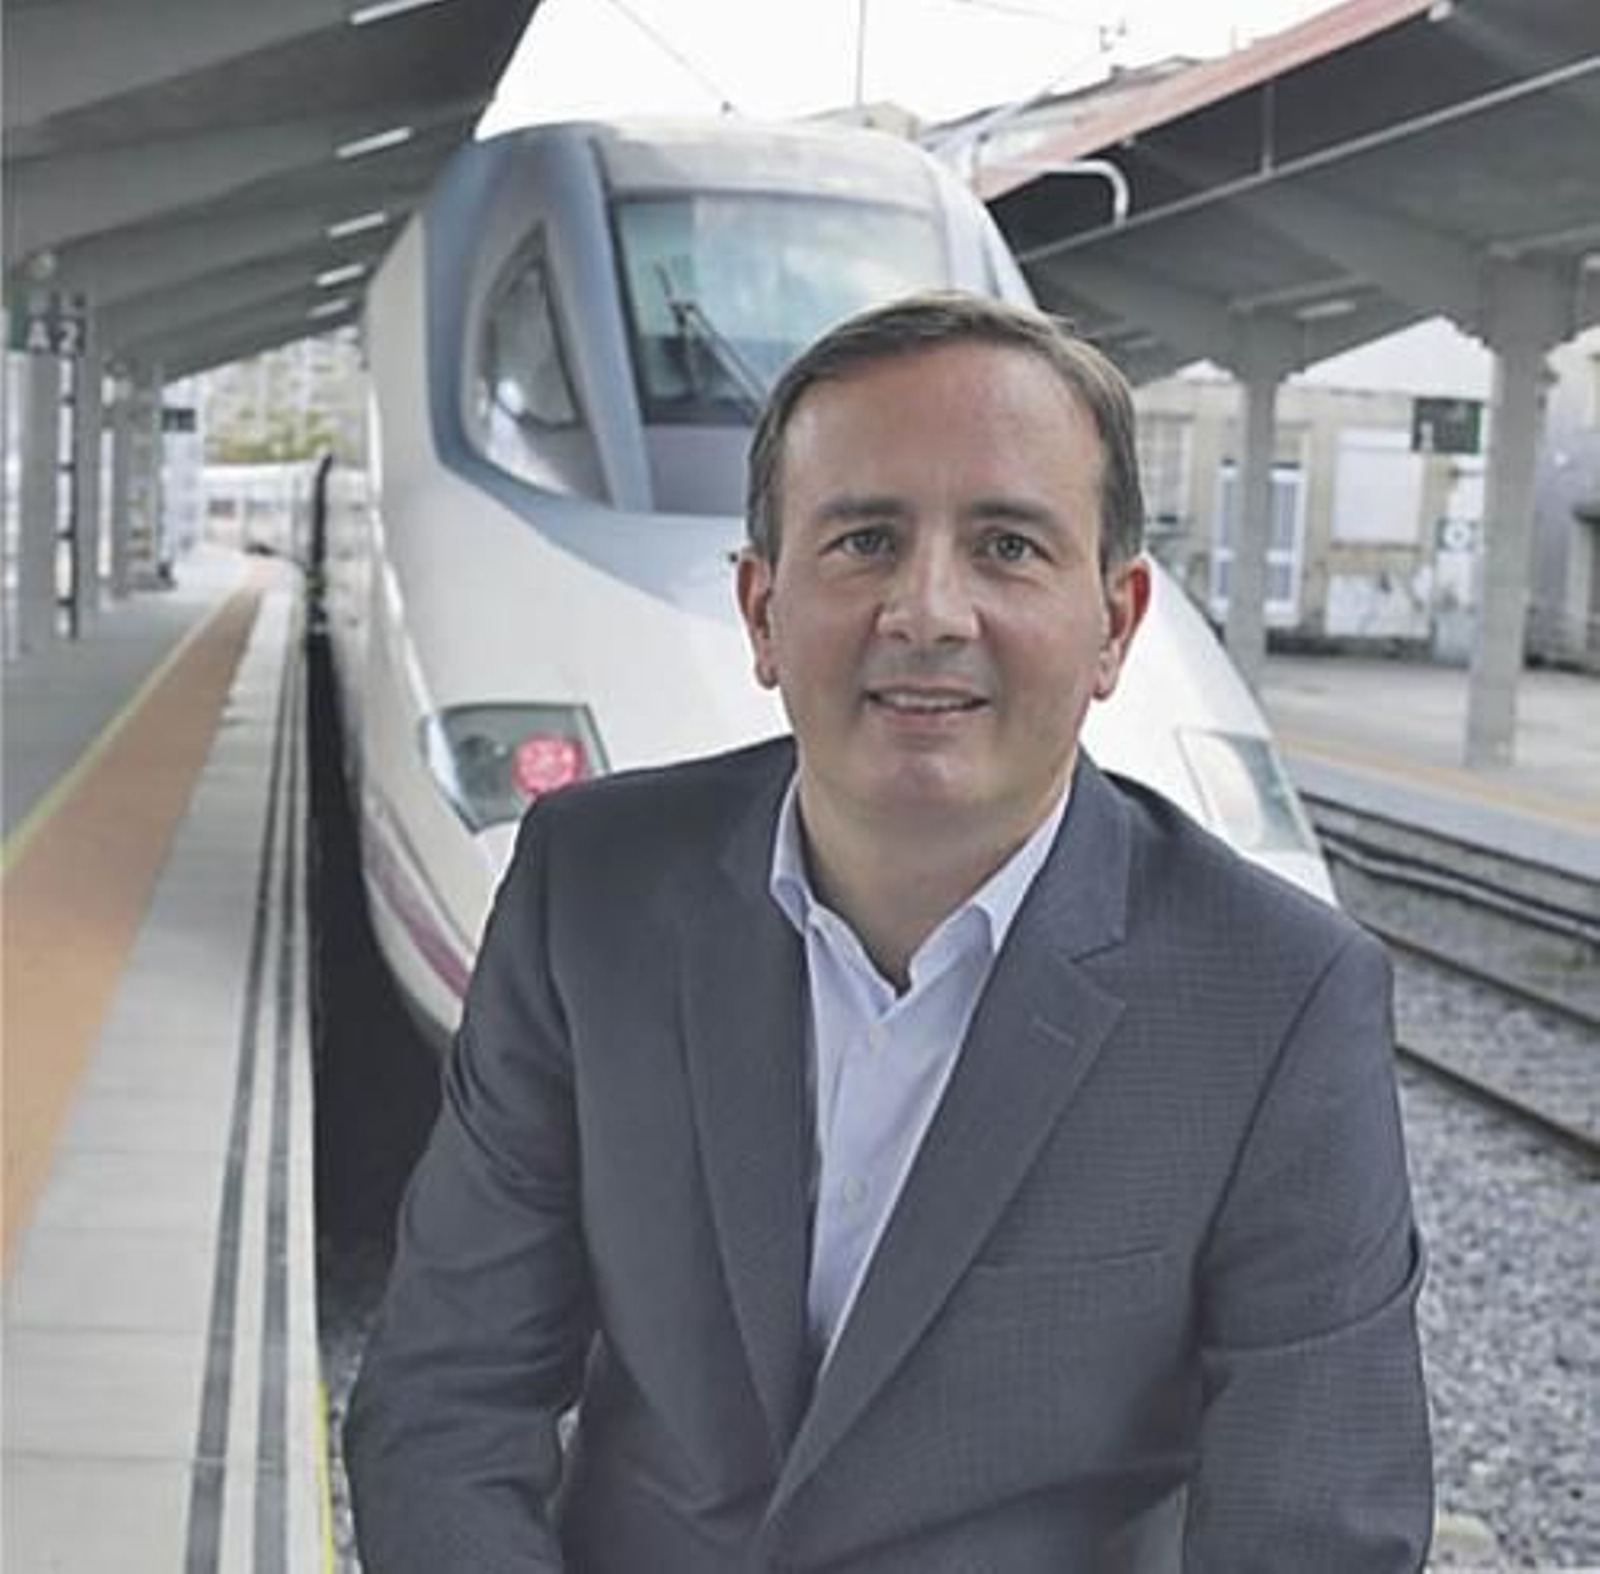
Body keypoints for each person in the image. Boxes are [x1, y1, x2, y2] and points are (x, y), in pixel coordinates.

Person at [346, 291, 1432, 1572]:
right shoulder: (592, 888)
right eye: (863, 538)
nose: (927, 609)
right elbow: (445, 1394)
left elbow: (1312, 1527)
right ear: (760, 611)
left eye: (1009, 547)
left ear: (1115, 624)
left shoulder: (1274, 995)